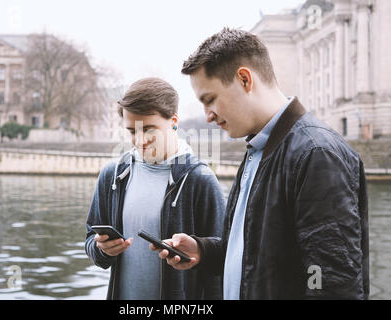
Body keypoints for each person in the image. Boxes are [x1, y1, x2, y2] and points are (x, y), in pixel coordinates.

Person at [152, 28, 369, 300]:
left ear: (244, 79)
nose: (208, 115)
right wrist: (203, 250)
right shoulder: (259, 149)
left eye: (210, 99)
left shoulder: (316, 154)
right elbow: (261, 257)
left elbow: (332, 282)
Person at [85, 77, 226, 300]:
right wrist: (102, 249)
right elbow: (91, 244)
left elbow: (223, 259)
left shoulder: (200, 179)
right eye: (132, 131)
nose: (140, 141)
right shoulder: (111, 175)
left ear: (174, 121)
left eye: (149, 130)